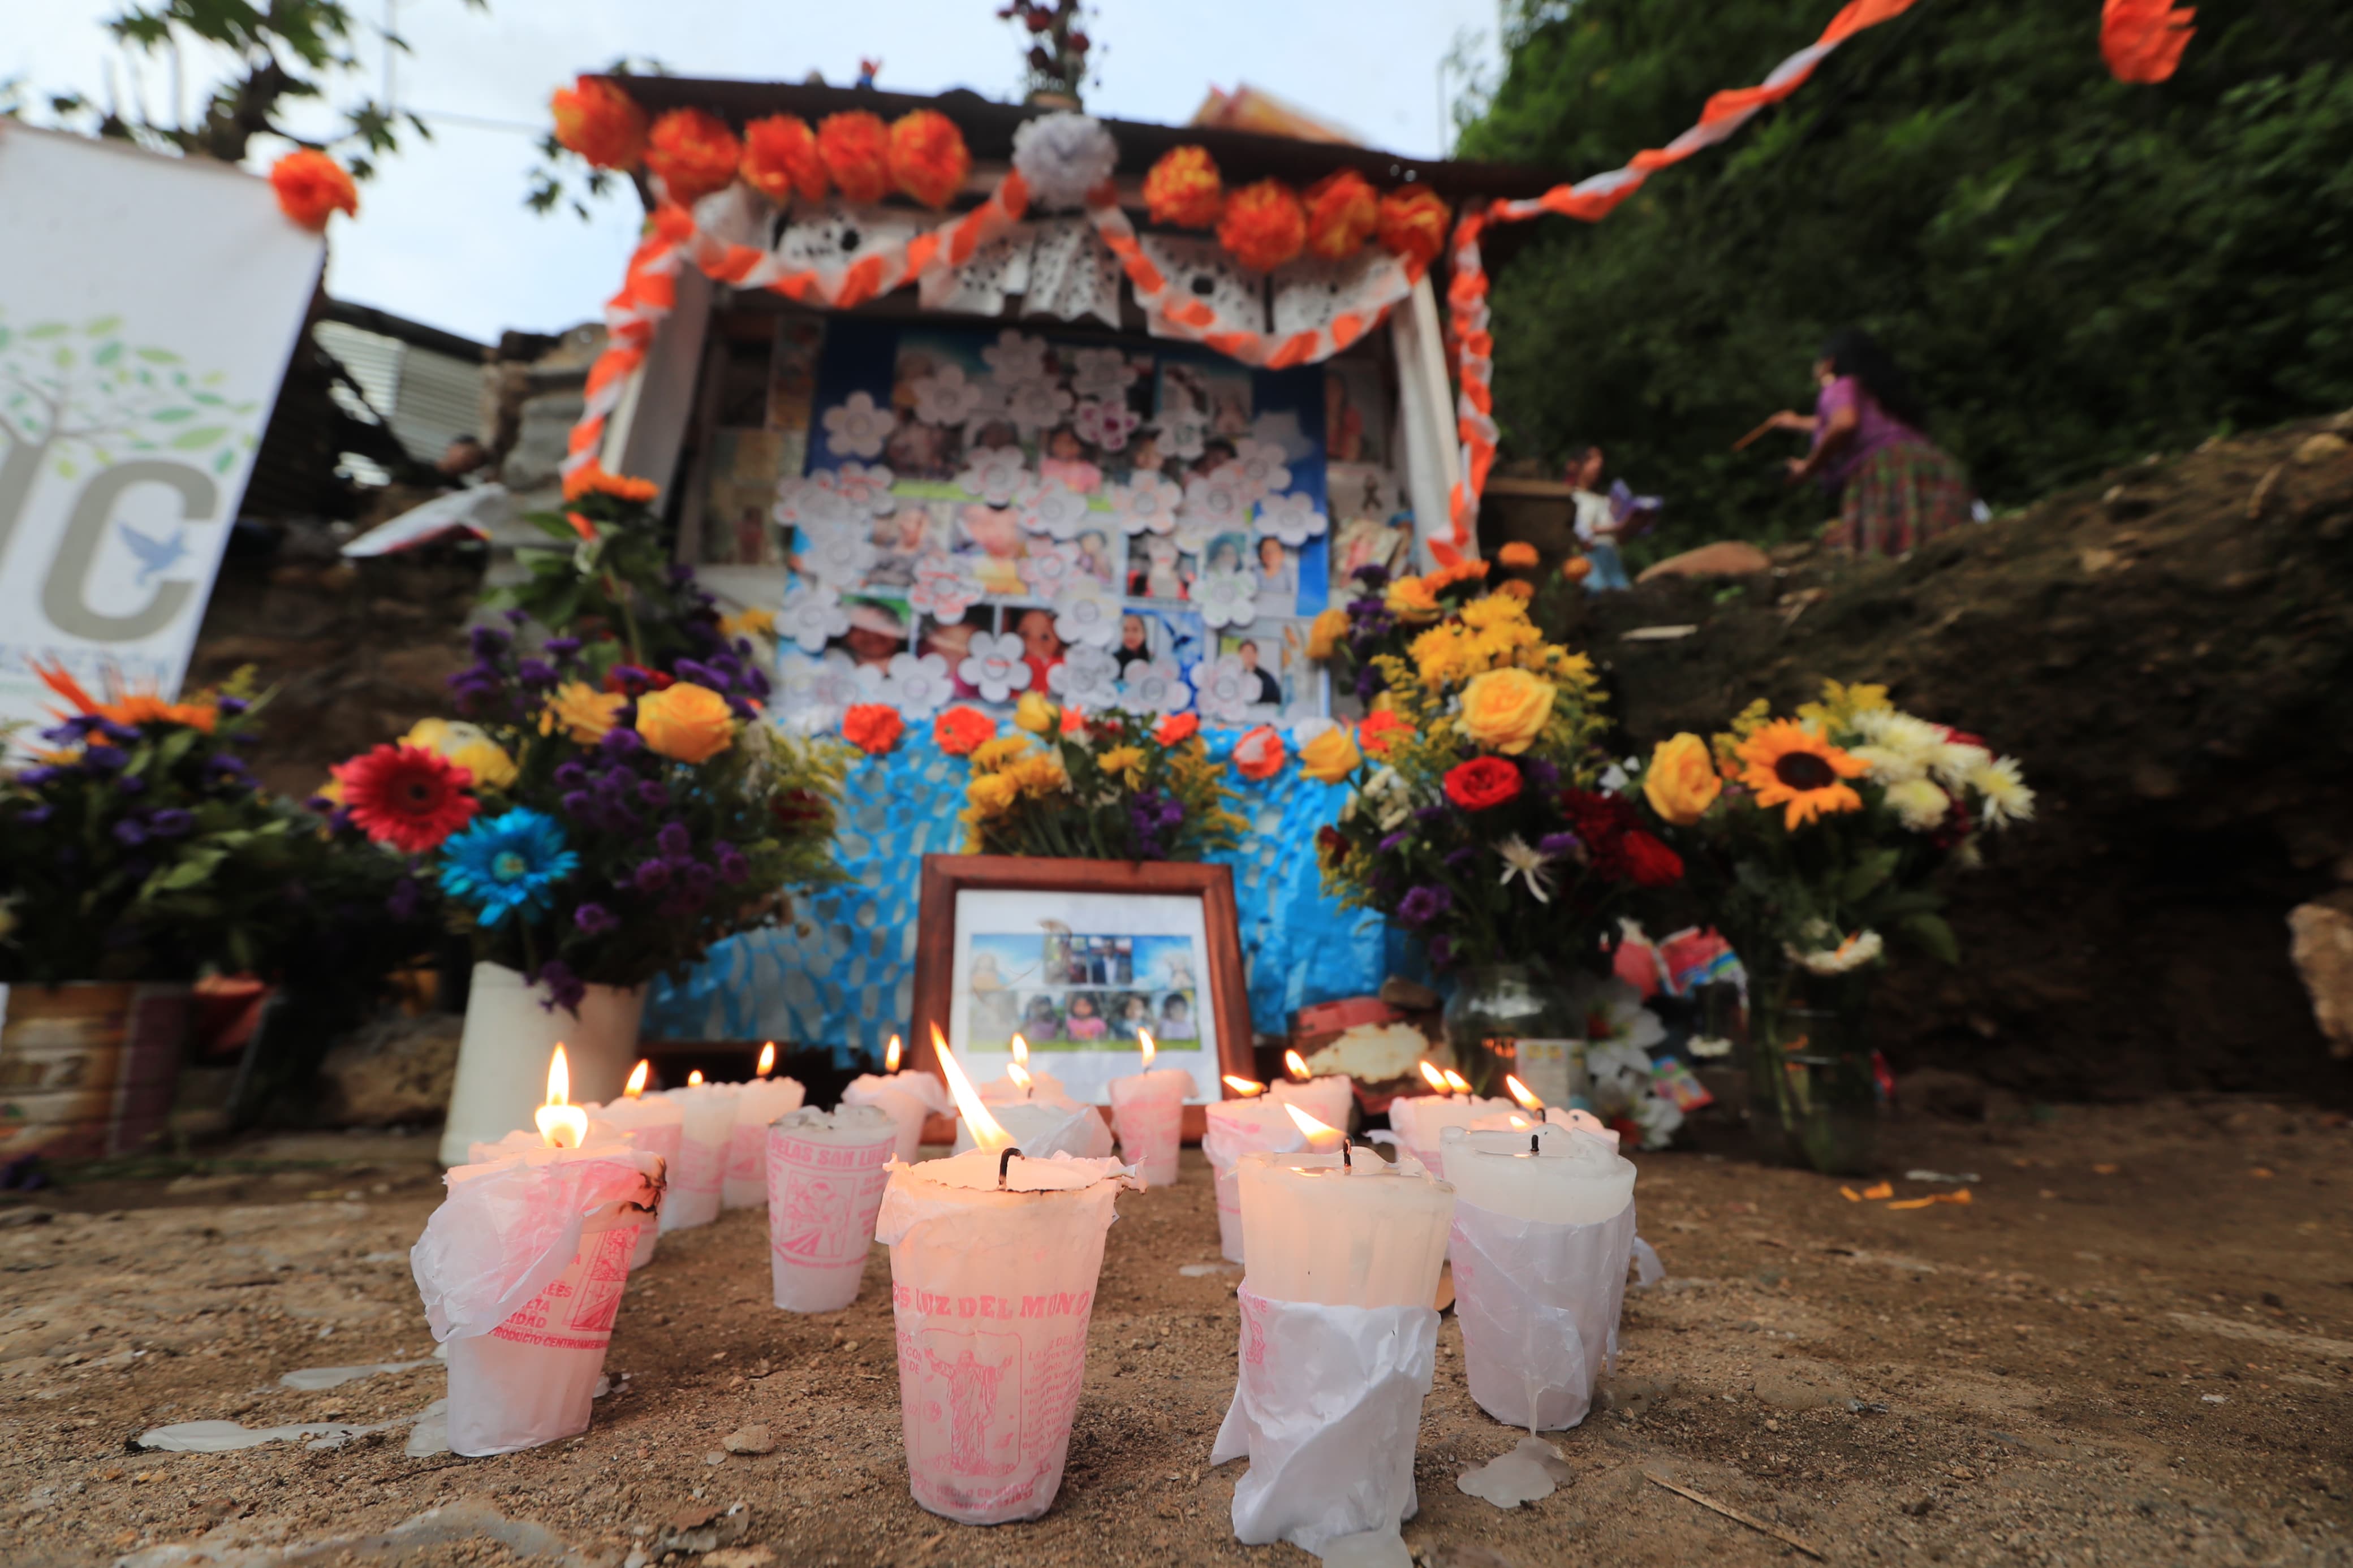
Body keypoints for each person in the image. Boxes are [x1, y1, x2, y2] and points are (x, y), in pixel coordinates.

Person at [1762, 327, 1974, 557]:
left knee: (1889, 562)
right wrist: (1797, 423)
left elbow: (1844, 424)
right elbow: (1849, 422)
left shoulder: (1836, 385)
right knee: (1939, 555)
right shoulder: (1876, 394)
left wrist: (1809, 467)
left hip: (1888, 469)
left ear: (1828, 364)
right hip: (1930, 465)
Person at [1566, 446, 1630, 593]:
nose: (1598, 463)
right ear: (1574, 465)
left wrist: (1632, 525)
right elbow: (1578, 529)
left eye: (1600, 459)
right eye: (1591, 459)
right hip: (1588, 558)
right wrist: (1618, 527)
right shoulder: (1569, 497)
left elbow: (1620, 540)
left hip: (1612, 559)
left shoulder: (1606, 501)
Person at [1236, 639, 1282, 707]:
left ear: (1256, 654)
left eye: (1250, 652)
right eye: (1245, 652)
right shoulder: (1237, 676)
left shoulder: (1267, 678)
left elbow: (1276, 701)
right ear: (1240, 655)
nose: (1248, 656)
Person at [1113, 613, 1154, 677]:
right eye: (1125, 630)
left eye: (1135, 630)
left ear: (1145, 634)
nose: (1129, 635)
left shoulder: (1152, 660)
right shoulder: (1113, 661)